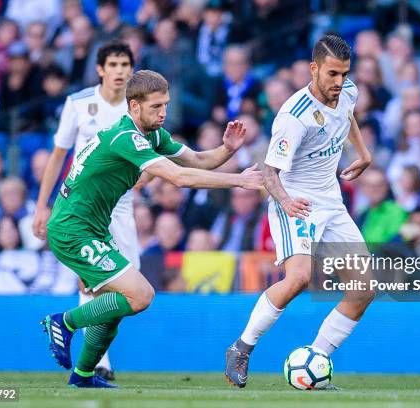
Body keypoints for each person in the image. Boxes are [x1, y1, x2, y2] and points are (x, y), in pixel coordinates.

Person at [41, 69, 262, 388]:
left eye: (166, 105)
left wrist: (227, 150)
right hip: (72, 229)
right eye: (156, 107)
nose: (163, 113)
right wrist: (237, 180)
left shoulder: (152, 135)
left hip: (92, 229)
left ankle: (84, 374)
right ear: (134, 106)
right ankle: (64, 321)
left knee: (115, 307)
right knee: (141, 295)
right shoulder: (126, 137)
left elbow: (197, 161)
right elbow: (179, 178)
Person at [224, 35, 373, 389]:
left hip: (331, 202)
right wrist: (287, 203)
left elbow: (346, 114)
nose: (339, 82)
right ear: (313, 68)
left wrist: (362, 153)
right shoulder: (294, 116)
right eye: (332, 74)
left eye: (344, 74)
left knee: (364, 289)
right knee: (299, 278)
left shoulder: (347, 90)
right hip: (295, 199)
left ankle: (317, 358)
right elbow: (269, 172)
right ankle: (241, 348)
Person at [34, 42, 135, 381]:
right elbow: (58, 155)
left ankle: (90, 357)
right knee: (91, 281)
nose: (120, 70)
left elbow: (149, 156)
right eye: (114, 64)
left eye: (125, 64)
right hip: (84, 206)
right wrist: (41, 206)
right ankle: (99, 362)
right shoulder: (78, 104)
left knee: (126, 287)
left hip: (122, 206)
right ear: (101, 69)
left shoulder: (136, 108)